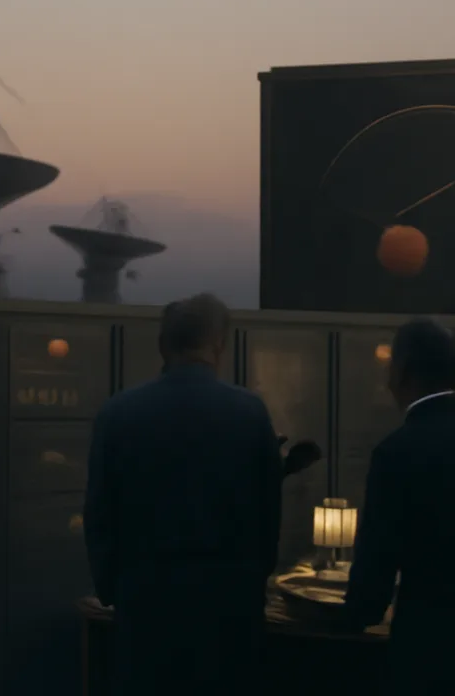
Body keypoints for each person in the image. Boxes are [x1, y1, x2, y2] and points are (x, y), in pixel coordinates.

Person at [84, 294, 284, 694]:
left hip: (145, 606)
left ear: (163, 345)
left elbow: (99, 514)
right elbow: (268, 517)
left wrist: (114, 589)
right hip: (228, 611)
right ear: (219, 345)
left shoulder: (118, 413)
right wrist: (251, 586)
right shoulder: (250, 412)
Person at [340, 318, 455, 693]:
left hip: (429, 644)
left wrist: (352, 616)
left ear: (403, 371)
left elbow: (377, 562)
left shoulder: (397, 452)